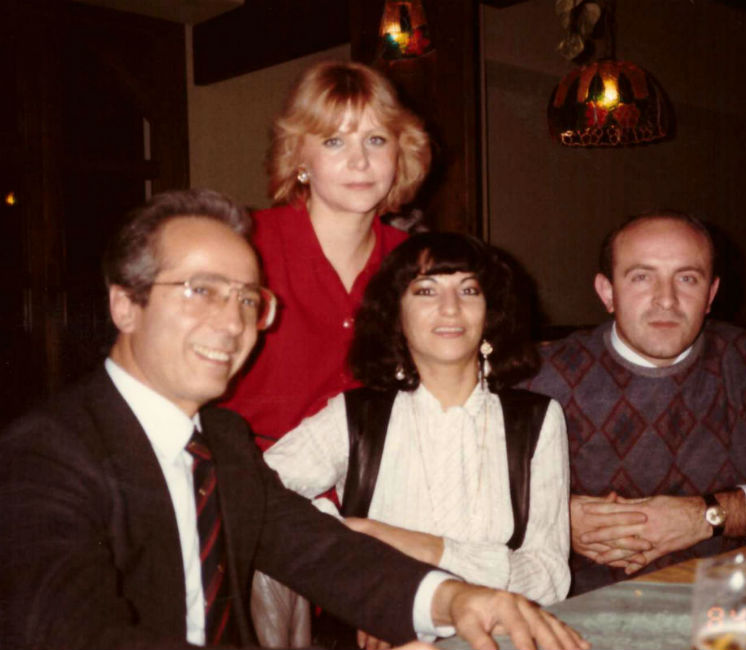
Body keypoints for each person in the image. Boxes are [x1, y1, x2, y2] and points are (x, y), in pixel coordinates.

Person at [0, 189, 588, 650]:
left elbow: (321, 553)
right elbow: (71, 633)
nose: (232, 322)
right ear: (125, 304)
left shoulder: (222, 442)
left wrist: (454, 600)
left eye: (248, 299)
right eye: (201, 291)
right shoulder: (47, 453)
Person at [526, 211, 746, 596]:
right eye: (642, 277)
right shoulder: (541, 376)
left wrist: (708, 516)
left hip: (728, 600)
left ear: (711, 295)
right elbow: (481, 496)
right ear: (607, 292)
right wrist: (550, 517)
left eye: (687, 278)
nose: (666, 300)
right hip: (579, 609)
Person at [265, 232, 572, 647]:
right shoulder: (355, 415)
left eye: (469, 290)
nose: (451, 307)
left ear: (491, 312)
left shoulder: (536, 420)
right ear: (396, 313)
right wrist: (374, 591)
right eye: (426, 290)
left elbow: (550, 579)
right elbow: (253, 496)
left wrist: (420, 548)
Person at [221, 60, 431, 450]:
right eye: (334, 141)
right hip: (252, 472)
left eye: (376, 140)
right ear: (299, 158)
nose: (360, 161)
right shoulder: (245, 245)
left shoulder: (416, 263)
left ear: (400, 152)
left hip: (373, 475)